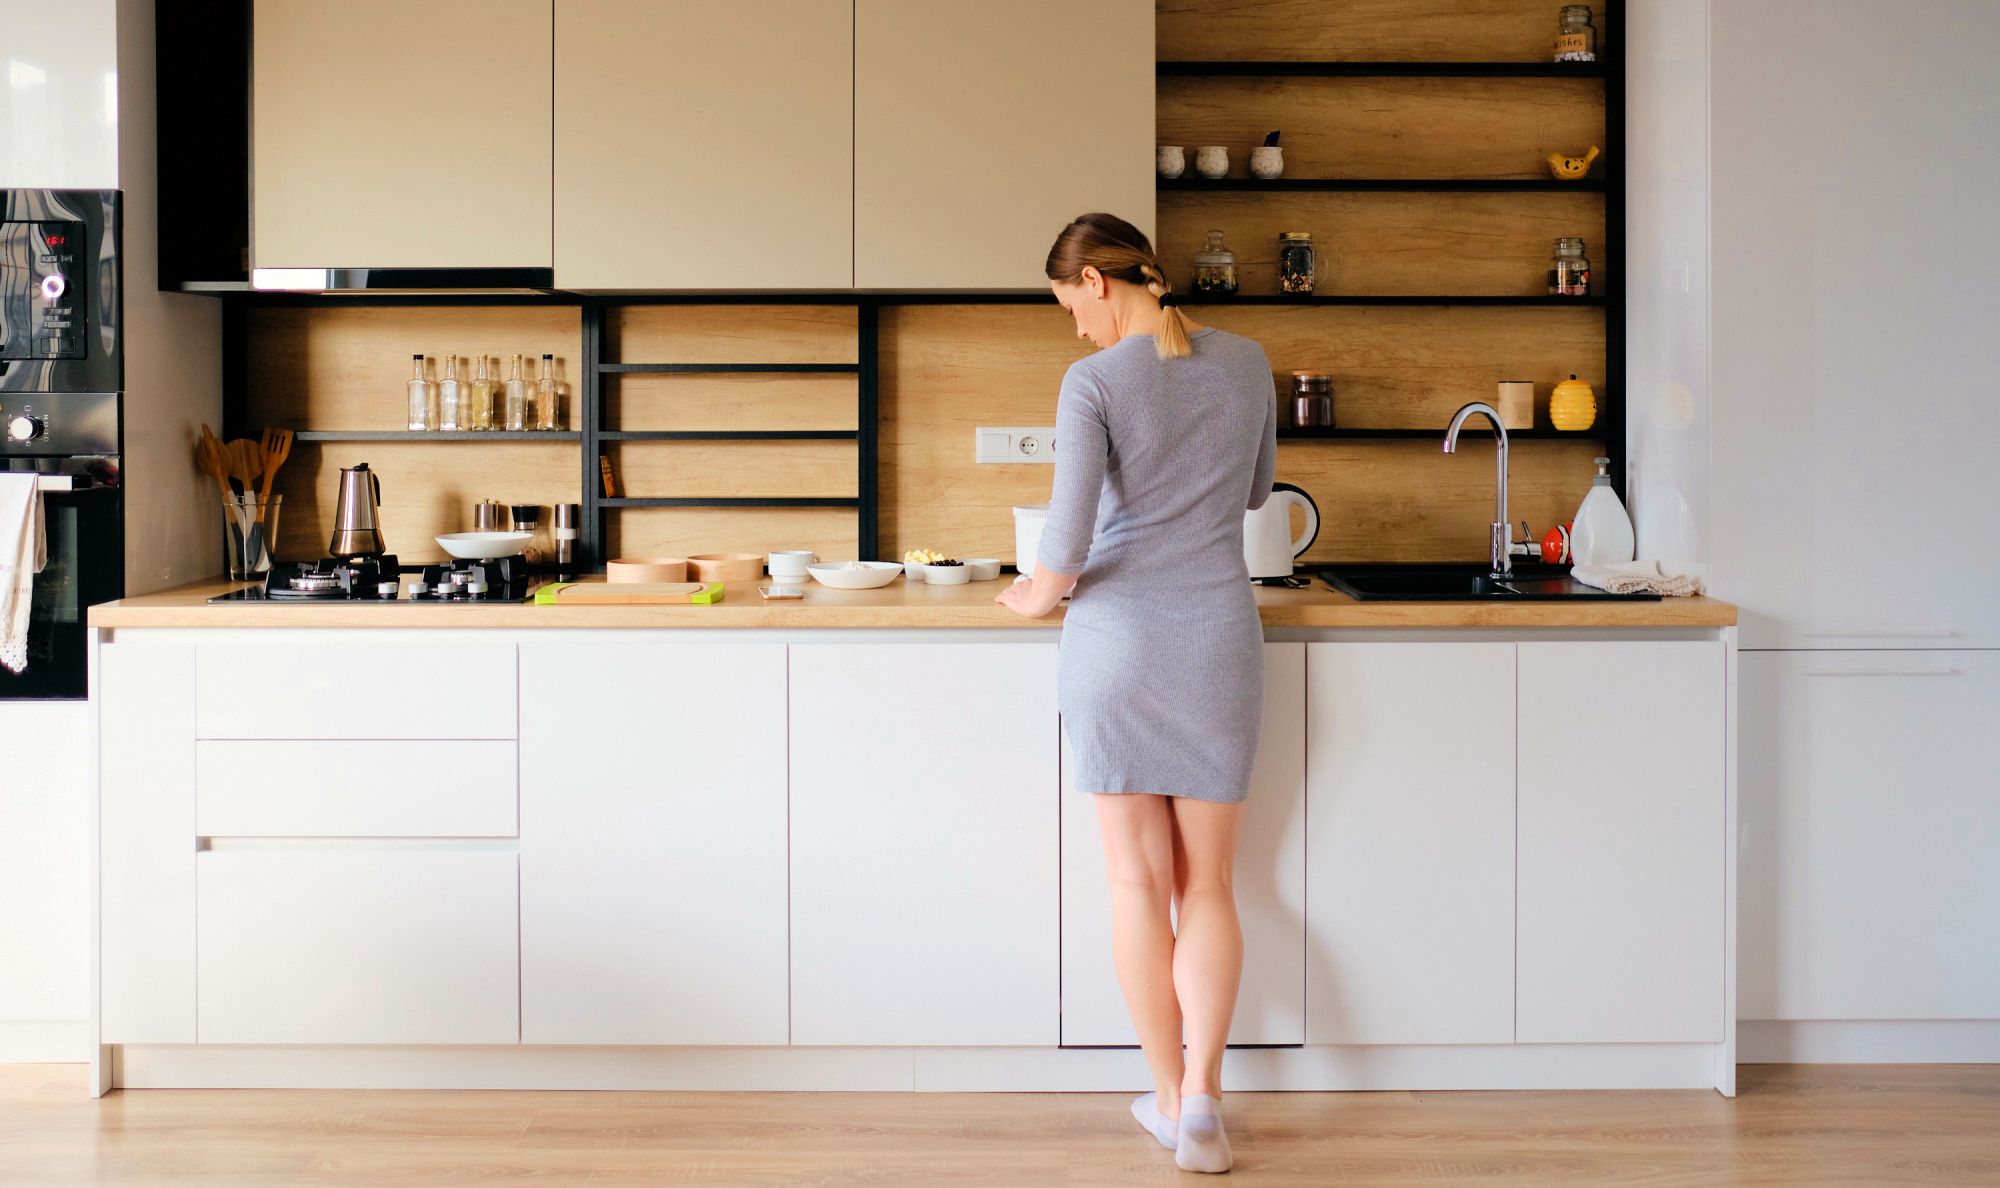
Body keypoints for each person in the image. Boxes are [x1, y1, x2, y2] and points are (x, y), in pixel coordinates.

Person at [996, 212, 1277, 1174]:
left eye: (1070, 304)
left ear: (1099, 282)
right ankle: (1204, 1097)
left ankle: (1165, 1098)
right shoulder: (1247, 362)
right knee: (1211, 885)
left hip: (1117, 646)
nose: (1074, 328)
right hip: (1218, 643)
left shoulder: (1094, 382)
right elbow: (1255, 493)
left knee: (1135, 882)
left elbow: (1065, 545)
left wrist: (1034, 596)